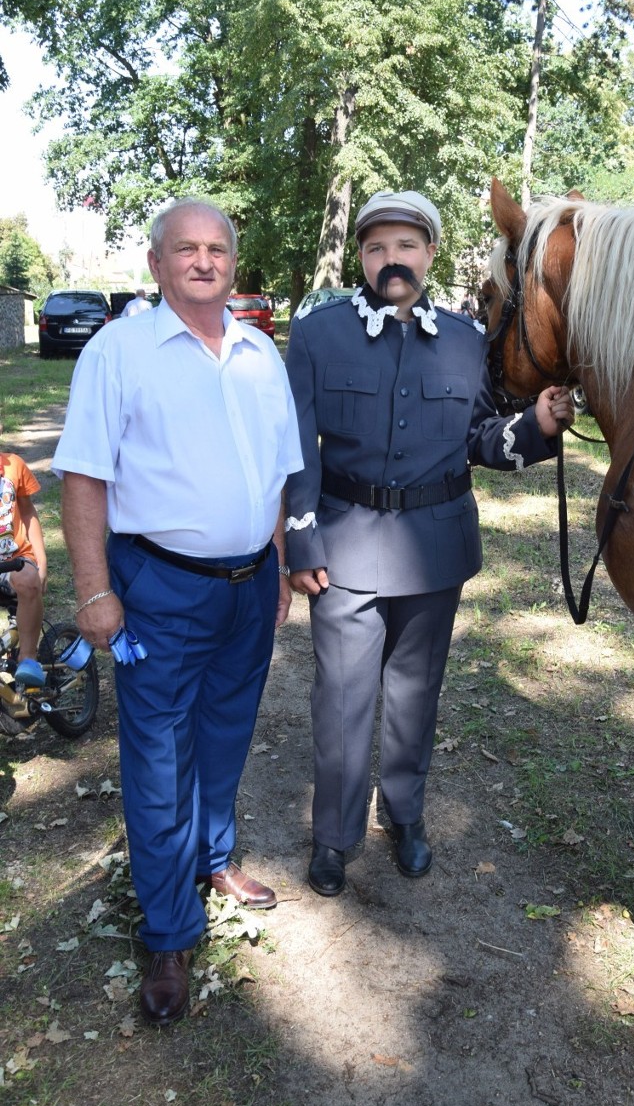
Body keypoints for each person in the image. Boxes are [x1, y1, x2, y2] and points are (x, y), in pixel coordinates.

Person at [52, 198, 304, 1027]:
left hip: (246, 586)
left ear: (233, 264)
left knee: (227, 732)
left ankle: (214, 857)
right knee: (159, 756)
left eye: (217, 248)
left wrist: (272, 563)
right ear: (158, 265)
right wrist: (95, 591)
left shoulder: (261, 353)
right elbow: (84, 477)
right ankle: (167, 927)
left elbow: (275, 472)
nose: (203, 260)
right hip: (157, 588)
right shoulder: (117, 351)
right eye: (185, 249)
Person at [284, 189, 572, 898]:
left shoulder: (466, 341)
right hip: (345, 545)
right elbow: (295, 448)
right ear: (360, 257)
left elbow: (478, 440)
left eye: (405, 247)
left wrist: (533, 425)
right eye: (377, 248)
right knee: (342, 699)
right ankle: (335, 835)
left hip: (433, 548)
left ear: (430, 253)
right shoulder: (319, 336)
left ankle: (404, 816)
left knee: (415, 693)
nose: (392, 261)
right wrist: (300, 538)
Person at [0, 443, 48, 724]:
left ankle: (28, 658)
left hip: (15, 560)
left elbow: (28, 513)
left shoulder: (14, 465)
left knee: (28, 578)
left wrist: (41, 561)